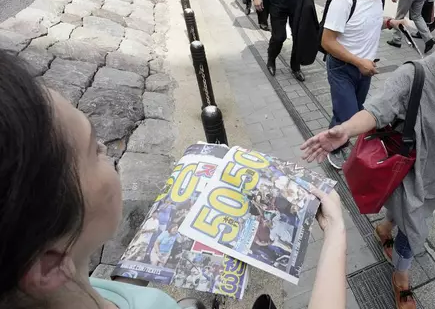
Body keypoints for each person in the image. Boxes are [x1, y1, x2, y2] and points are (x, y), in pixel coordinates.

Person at [0, 50, 348, 309]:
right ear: (46, 265)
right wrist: (335, 234)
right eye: (93, 149)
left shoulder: (73, 285)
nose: (105, 147)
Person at [303, 5, 435, 309]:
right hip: (407, 169)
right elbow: (376, 110)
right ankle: (402, 276)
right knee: (414, 228)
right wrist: (344, 130)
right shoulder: (413, 75)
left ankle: (386, 227)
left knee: (406, 212)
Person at [322, 0, 405, 169]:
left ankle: (332, 135)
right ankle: (335, 149)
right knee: (350, 118)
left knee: (351, 112)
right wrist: (359, 62)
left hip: (365, 69)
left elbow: (369, 22)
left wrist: (389, 22)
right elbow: (327, 41)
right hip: (343, 68)